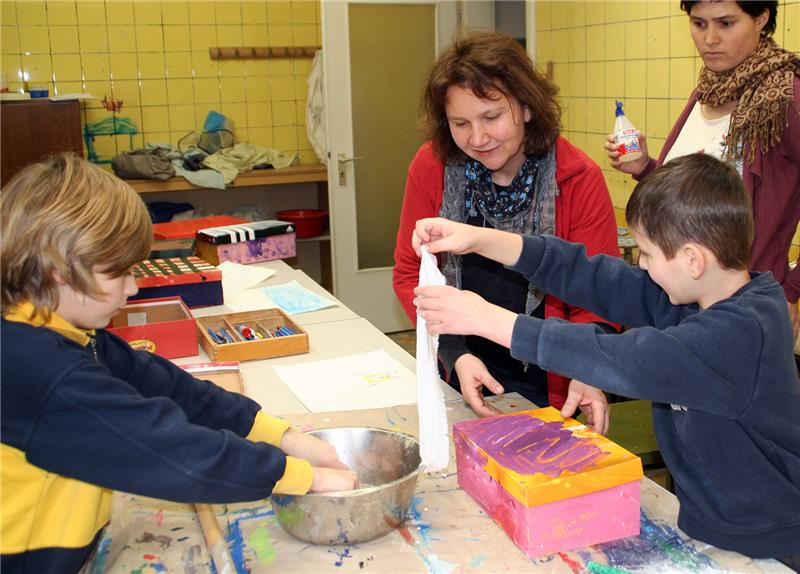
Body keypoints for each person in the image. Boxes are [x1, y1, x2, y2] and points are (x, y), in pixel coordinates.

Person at [412, 154, 800, 566]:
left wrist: (488, 319)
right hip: (711, 523)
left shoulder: (742, 333)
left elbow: (624, 359)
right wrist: (480, 239)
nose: (642, 266)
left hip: (773, 543)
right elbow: (587, 274)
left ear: (692, 260)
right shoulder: (691, 295)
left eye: (647, 254)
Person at [0, 154, 359, 573]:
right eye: (120, 273)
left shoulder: (63, 333)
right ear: (60, 268)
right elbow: (168, 450)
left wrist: (284, 436)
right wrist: (301, 477)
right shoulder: (41, 371)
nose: (133, 288)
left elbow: (170, 388)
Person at [393, 30, 620, 422]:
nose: (477, 138)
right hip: (459, 365)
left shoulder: (576, 176)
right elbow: (411, 273)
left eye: (492, 117)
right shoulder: (432, 166)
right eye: (460, 123)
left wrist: (587, 368)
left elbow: (599, 296)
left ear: (527, 107)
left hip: (551, 375)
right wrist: (453, 351)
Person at [605, 0, 800, 334]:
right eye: (699, 24)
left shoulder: (785, 97)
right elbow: (695, 205)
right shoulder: (707, 91)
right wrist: (647, 168)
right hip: (679, 304)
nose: (710, 39)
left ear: (761, 18)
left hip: (743, 310)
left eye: (726, 24)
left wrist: (793, 289)